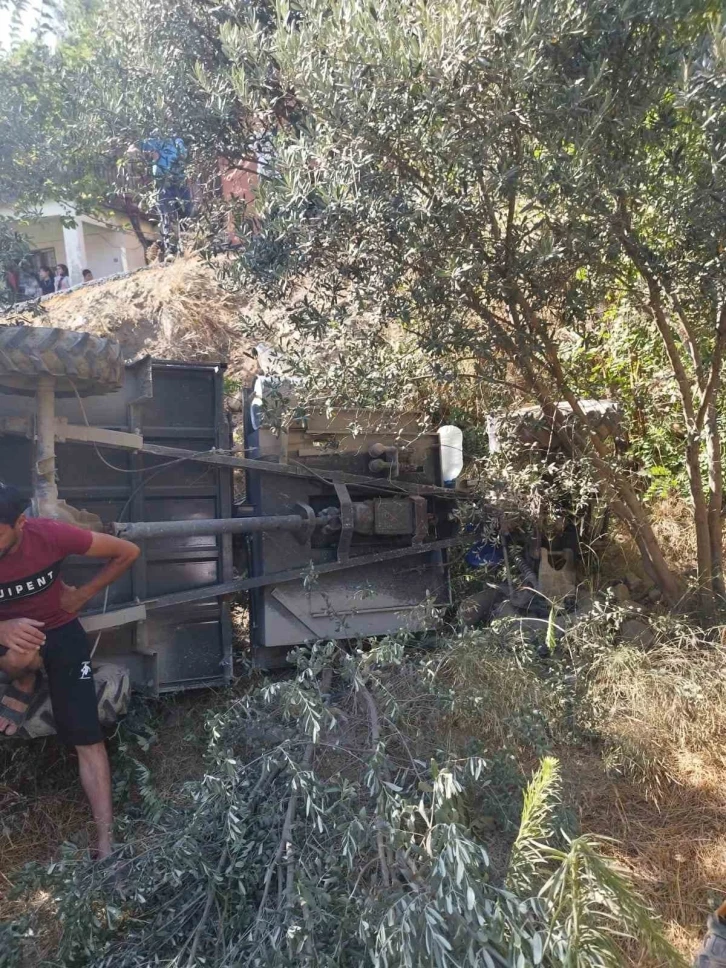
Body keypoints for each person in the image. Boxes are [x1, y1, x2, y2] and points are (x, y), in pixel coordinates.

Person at [0, 484, 140, 859]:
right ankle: (23, 678)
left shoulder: (50, 535)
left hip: (59, 629)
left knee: (87, 737)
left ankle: (106, 843)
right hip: (8, 638)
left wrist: (81, 595)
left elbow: (128, 551)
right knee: (19, 653)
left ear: (20, 522)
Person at [127, 136, 192, 254]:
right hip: (162, 184)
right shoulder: (153, 141)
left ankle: (189, 244)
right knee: (167, 216)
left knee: (186, 213)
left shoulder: (177, 141)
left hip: (179, 182)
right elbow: (135, 145)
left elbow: (184, 156)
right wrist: (134, 151)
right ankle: (171, 249)